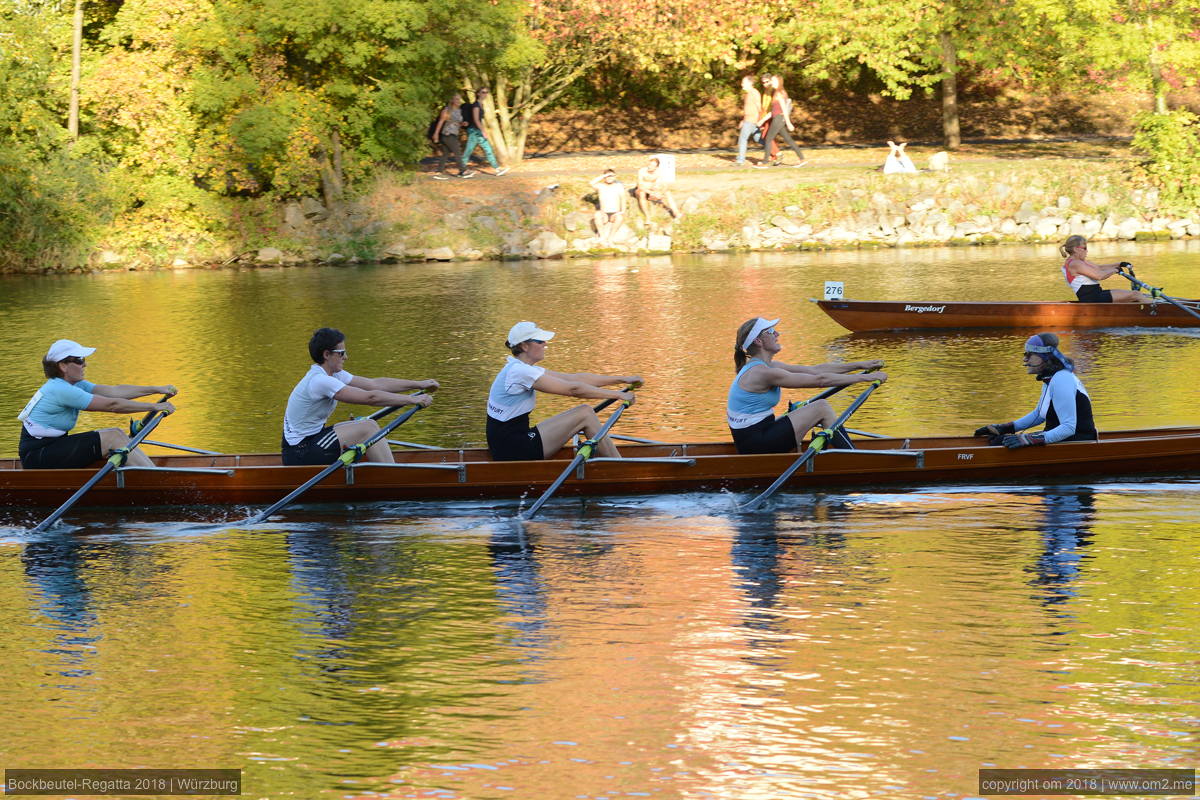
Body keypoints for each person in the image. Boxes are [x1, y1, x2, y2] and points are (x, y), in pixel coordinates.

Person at [486, 321, 641, 462]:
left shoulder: (521, 369)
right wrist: (619, 395)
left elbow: (573, 379)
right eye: (540, 341)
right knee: (585, 413)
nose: (545, 343)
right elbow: (573, 389)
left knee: (585, 413)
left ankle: (613, 461)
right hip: (513, 450)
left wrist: (623, 379)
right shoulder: (521, 372)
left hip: (509, 444)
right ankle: (619, 466)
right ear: (524, 346)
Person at [728, 317, 886, 454]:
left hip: (758, 435)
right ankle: (853, 458)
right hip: (756, 444)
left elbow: (814, 370)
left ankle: (845, 452)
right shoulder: (762, 372)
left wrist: (860, 365)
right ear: (758, 341)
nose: (777, 334)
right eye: (771, 331)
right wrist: (867, 378)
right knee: (821, 407)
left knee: (815, 409)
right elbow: (820, 380)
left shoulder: (767, 366)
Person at [281, 328, 438, 466]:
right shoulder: (320, 381)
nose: (346, 357)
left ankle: (385, 470)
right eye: (341, 353)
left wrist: (419, 384)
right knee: (368, 428)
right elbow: (370, 398)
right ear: (327, 354)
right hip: (300, 452)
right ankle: (394, 479)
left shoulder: (335, 375)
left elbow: (375, 385)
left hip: (311, 441)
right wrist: (412, 400)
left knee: (366, 424)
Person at [17, 339, 177, 470]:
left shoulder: (74, 384)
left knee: (117, 433)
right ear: (63, 366)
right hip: (37, 456)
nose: (84, 365)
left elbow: (115, 392)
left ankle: (153, 474)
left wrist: (157, 389)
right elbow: (112, 405)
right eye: (79, 360)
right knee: (112, 437)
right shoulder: (60, 389)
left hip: (52, 447)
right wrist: (154, 407)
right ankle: (160, 482)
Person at [973, 333, 1098, 449]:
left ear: (1044, 356)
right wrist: (1004, 428)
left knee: (999, 443)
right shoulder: (1050, 378)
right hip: (1063, 439)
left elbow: (1068, 428)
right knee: (997, 439)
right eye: (1024, 354)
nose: (1025, 360)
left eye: (1029, 354)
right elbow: (1039, 414)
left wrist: (1029, 439)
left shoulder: (1062, 379)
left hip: (1078, 441)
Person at [1060, 235, 1152, 303]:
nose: (1087, 251)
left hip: (1097, 294)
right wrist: (1115, 270)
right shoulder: (1075, 264)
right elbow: (1099, 275)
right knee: (1136, 295)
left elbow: (1099, 268)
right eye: (1085, 248)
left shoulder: (1079, 261)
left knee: (1134, 295)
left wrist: (1120, 264)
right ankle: (1160, 313)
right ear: (1076, 249)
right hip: (1092, 299)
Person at [756, 74, 806, 168]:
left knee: (768, 139)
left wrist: (788, 123)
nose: (772, 82)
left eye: (773, 81)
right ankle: (802, 159)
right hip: (777, 118)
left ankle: (765, 162)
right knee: (789, 140)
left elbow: (784, 110)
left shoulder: (779, 93)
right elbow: (773, 111)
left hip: (779, 119)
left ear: (778, 82)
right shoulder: (776, 93)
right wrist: (762, 120)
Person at [461, 88, 509, 177]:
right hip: (474, 131)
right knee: (469, 150)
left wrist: (482, 130)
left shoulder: (481, 104)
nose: (485, 94)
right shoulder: (476, 106)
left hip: (477, 130)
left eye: (487, 92)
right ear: (478, 94)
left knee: (488, 149)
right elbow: (476, 120)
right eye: (483, 92)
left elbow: (479, 120)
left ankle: (497, 169)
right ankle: (462, 170)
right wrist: (483, 131)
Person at [431, 94, 474, 180]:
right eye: (457, 99)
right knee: (457, 152)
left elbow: (457, 123)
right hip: (447, 134)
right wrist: (436, 134)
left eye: (459, 99)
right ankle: (463, 171)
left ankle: (439, 172)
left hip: (454, 134)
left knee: (445, 154)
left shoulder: (459, 111)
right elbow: (440, 122)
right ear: (452, 100)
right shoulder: (447, 110)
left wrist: (463, 124)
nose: (459, 101)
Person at [635, 156, 681, 222]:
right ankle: (648, 217)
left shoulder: (658, 172)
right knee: (641, 193)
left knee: (667, 192)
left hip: (651, 190)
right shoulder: (642, 171)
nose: (650, 166)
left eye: (652, 166)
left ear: (656, 167)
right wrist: (651, 192)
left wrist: (656, 192)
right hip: (641, 190)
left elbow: (658, 185)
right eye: (649, 164)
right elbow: (640, 186)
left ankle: (675, 212)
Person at [589, 168, 627, 244]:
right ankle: (602, 236)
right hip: (604, 213)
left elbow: (623, 199)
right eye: (607, 176)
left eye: (611, 176)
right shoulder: (601, 186)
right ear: (604, 178)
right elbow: (591, 183)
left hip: (615, 213)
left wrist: (622, 211)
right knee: (597, 215)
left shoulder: (618, 186)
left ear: (614, 177)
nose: (609, 178)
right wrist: (603, 176)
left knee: (619, 218)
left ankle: (610, 238)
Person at [735, 75, 762, 166]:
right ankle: (775, 152)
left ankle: (740, 160)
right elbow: (748, 109)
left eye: (744, 82)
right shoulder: (748, 94)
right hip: (748, 119)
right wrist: (743, 120)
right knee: (758, 139)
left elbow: (759, 106)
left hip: (752, 120)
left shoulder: (754, 93)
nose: (742, 84)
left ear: (750, 83)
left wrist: (760, 120)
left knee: (743, 139)